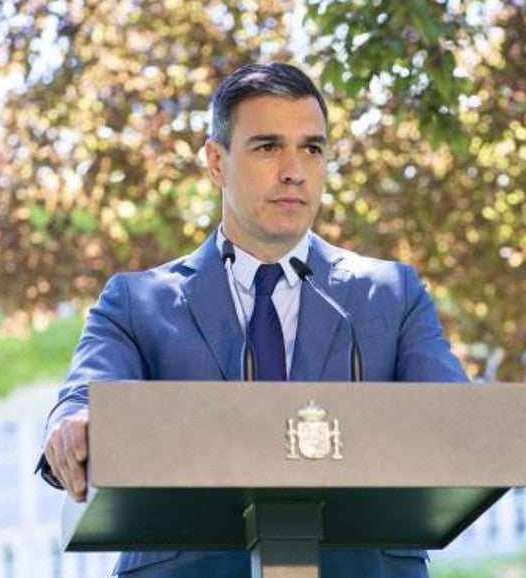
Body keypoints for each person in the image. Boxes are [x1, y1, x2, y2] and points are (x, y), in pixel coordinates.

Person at [38, 62, 469, 577]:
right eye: (268, 147)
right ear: (217, 162)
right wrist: (74, 425)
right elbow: (83, 398)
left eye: (312, 148)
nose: (294, 170)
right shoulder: (136, 302)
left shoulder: (392, 295)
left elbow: (457, 425)